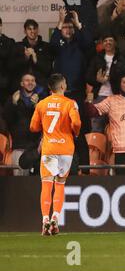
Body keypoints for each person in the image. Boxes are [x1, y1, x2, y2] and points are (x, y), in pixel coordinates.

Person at [29, 73, 82, 236]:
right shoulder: (70, 103)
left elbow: (33, 127)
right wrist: (75, 132)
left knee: (46, 184)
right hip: (66, 149)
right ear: (62, 86)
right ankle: (55, 218)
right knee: (60, 184)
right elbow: (77, 123)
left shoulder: (42, 104)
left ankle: (45, 219)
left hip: (49, 149)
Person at [3, 73, 47, 175]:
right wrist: (13, 103)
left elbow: (46, 122)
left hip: (35, 150)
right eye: (27, 80)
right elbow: (7, 119)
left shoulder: (41, 101)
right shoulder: (14, 99)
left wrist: (37, 107)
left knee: (33, 183)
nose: (30, 82)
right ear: (22, 83)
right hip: (19, 147)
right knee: (19, 183)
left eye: (32, 80)